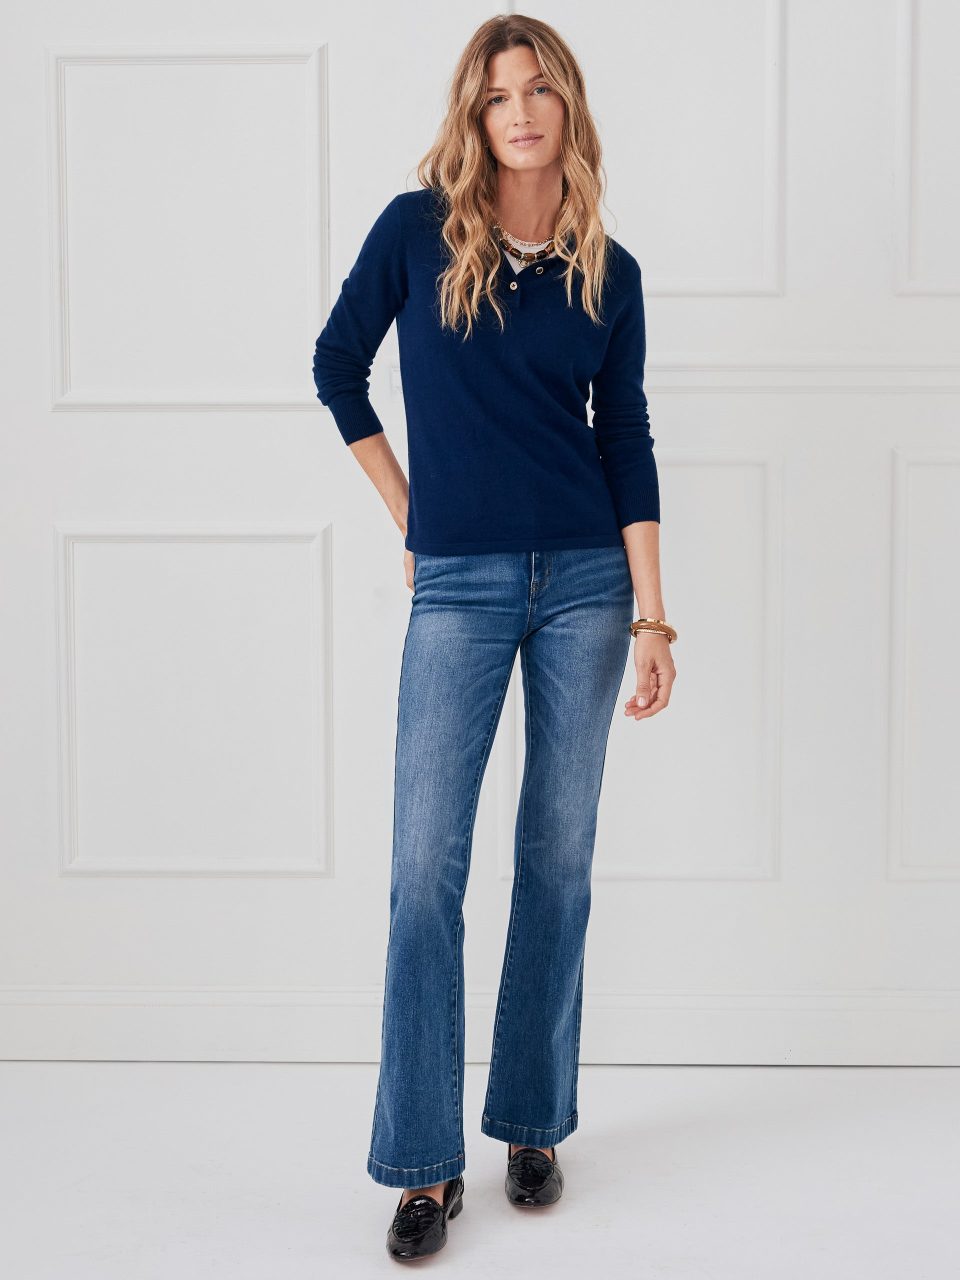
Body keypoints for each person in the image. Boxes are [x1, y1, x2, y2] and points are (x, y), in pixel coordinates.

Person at [312, 12, 677, 1262]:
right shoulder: (417, 232)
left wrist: (652, 614)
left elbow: (626, 440)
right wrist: (411, 512)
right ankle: (423, 1159)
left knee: (558, 861)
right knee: (425, 870)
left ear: (567, 106)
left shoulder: (609, 271)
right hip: (459, 586)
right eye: (495, 95)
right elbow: (337, 366)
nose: (518, 112)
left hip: (586, 583)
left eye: (537, 90)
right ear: (474, 115)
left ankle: (530, 1120)